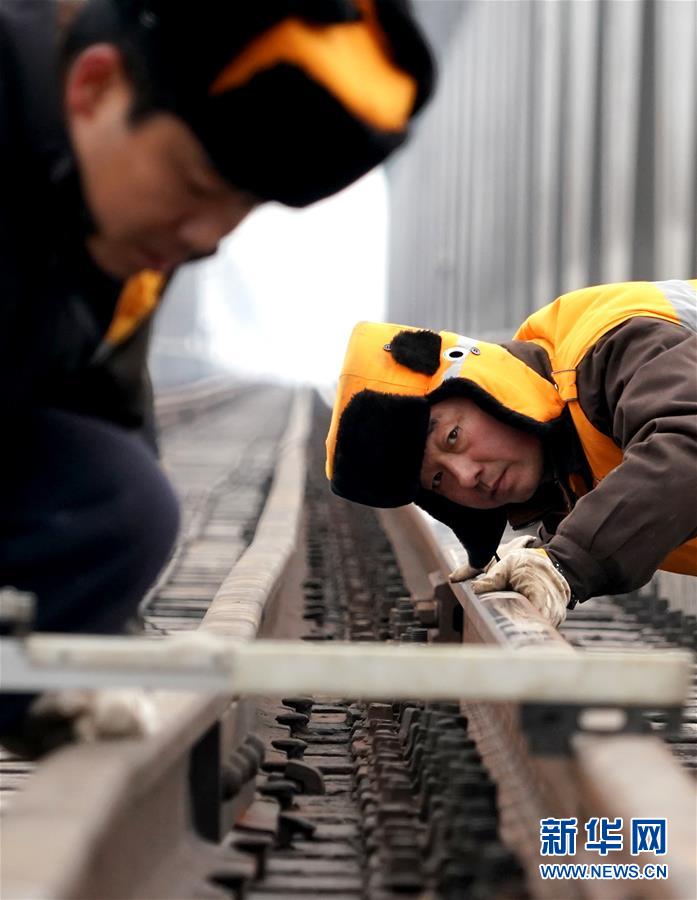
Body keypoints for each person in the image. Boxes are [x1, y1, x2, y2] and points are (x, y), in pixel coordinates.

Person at [0, 0, 434, 750]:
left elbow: (101, 398)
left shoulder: (122, 227)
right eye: (197, 183)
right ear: (95, 87)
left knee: (117, 500)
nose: (206, 237)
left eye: (241, 207)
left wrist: (102, 632)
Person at [326, 279, 697, 626]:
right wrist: (534, 556)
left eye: (452, 437)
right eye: (438, 481)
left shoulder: (609, 346)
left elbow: (686, 449)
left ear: (482, 386)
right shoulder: (566, 454)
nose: (465, 476)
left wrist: (564, 563)